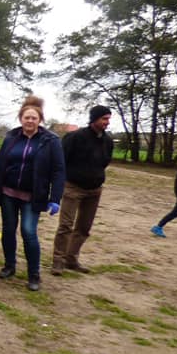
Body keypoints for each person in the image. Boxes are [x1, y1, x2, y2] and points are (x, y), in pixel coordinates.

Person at [0, 96, 65, 291]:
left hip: (33, 195)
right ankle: (9, 265)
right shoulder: (11, 137)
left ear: (40, 120)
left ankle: (33, 274)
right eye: (26, 117)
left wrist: (55, 198)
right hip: (8, 193)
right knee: (8, 230)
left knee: (28, 232)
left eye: (34, 118)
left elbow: (59, 170)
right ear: (20, 118)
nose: (30, 121)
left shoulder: (50, 141)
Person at [51, 105, 113, 275]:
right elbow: (61, 160)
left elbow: (105, 161)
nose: (107, 122)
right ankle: (58, 260)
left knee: (84, 227)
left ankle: (71, 258)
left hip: (94, 190)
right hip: (73, 187)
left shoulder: (107, 141)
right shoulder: (75, 137)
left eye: (108, 119)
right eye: (104, 119)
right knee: (66, 225)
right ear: (94, 119)